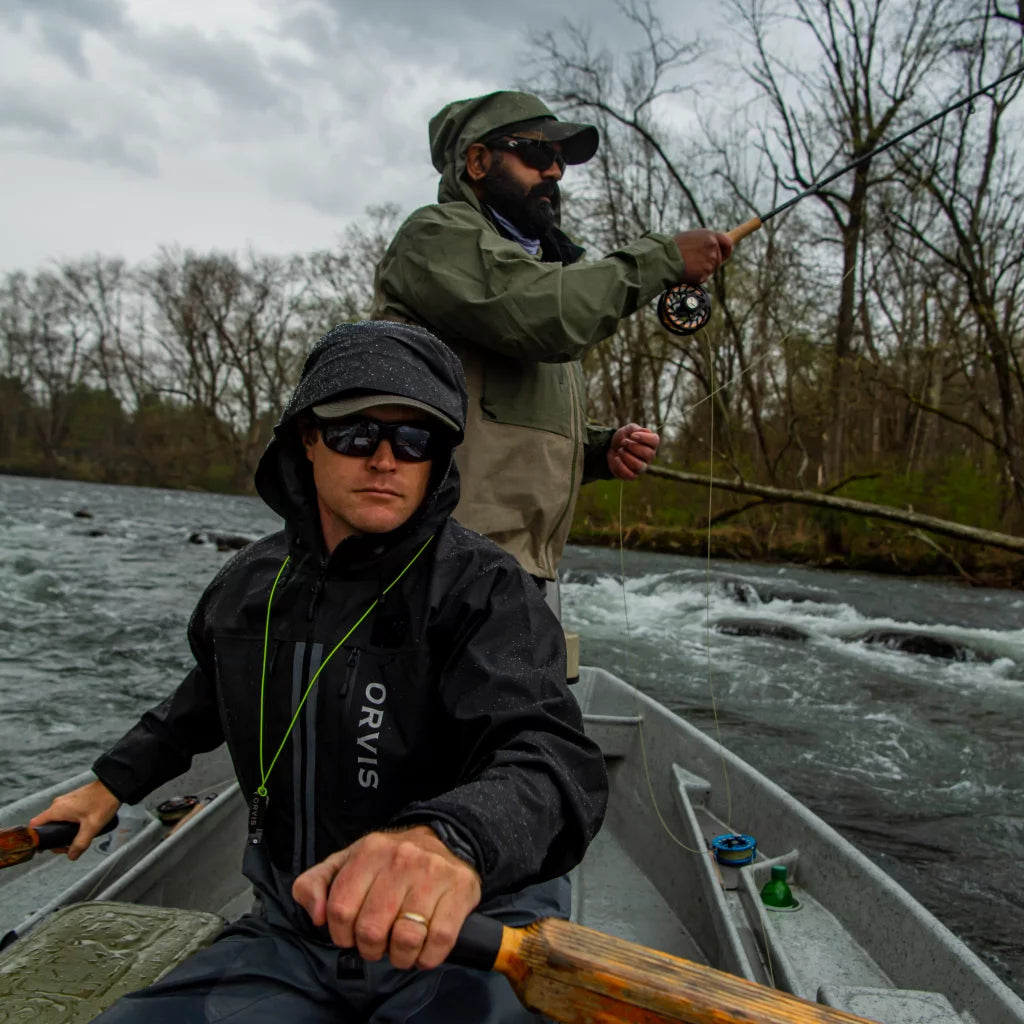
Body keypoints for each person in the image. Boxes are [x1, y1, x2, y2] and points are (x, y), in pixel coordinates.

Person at [30, 320, 608, 1023]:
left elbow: (551, 759)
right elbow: (206, 699)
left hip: (468, 934)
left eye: (415, 438)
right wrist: (108, 786)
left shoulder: (488, 591)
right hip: (292, 936)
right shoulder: (247, 587)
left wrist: (447, 840)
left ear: (438, 458)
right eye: (356, 432)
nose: (386, 458)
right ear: (306, 438)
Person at [372, 89, 733, 582]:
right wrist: (663, 258)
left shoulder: (535, 274)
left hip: (520, 572)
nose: (556, 173)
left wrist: (596, 450)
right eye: (538, 154)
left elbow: (500, 417)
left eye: (561, 160)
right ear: (478, 161)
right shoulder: (434, 239)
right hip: (435, 567)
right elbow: (545, 318)